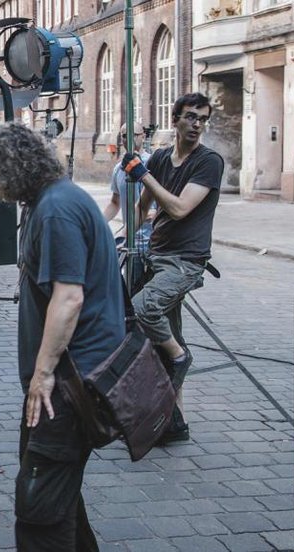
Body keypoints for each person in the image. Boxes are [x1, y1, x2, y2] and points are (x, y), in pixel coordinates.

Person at [0, 123, 125, 551]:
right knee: (56, 489)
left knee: (40, 502)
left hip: (68, 384)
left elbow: (69, 298)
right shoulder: (52, 200)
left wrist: (42, 375)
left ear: (17, 165)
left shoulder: (56, 208)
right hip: (67, 380)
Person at [121, 92, 225, 444]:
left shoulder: (209, 162)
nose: (197, 124)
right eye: (191, 117)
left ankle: (181, 359)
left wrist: (144, 174)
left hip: (185, 261)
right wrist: (120, 240)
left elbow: (180, 209)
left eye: (202, 119)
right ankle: (175, 422)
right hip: (156, 255)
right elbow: (142, 207)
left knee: (142, 310)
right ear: (175, 118)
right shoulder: (164, 158)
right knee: (165, 335)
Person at [103, 122, 155, 250]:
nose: (129, 139)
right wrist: (99, 222)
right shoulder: (118, 169)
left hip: (153, 241)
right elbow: (115, 203)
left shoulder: (154, 162)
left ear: (143, 136)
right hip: (128, 240)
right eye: (125, 135)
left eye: (134, 135)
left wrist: (155, 213)